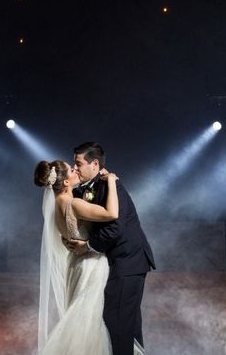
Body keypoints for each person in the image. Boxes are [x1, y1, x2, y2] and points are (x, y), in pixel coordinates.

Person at [66, 142, 155, 355]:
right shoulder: (87, 189)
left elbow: (115, 228)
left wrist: (86, 247)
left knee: (118, 324)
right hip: (118, 263)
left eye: (78, 164)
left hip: (128, 261)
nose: (75, 168)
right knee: (128, 325)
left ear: (94, 164)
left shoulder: (111, 185)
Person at [34, 159, 119, 354]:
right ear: (65, 182)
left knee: (83, 317)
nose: (76, 170)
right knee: (87, 321)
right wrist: (112, 181)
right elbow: (112, 213)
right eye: (72, 169)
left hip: (73, 264)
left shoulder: (56, 205)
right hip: (90, 265)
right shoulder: (74, 204)